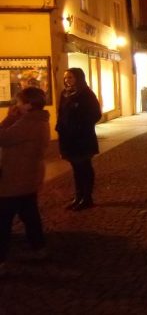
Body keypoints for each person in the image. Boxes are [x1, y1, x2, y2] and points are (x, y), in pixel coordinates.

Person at [0, 87, 50, 276]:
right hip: (28, 178)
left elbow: (2, 137)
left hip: (14, 180)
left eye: (19, 102)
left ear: (28, 104)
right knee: (30, 216)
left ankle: (1, 260)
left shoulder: (28, 123)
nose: (16, 105)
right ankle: (39, 248)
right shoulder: (40, 120)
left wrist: (8, 119)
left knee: (3, 221)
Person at [56, 68, 102, 210]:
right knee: (76, 168)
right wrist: (60, 127)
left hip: (83, 138)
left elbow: (96, 114)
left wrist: (81, 125)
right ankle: (78, 196)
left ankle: (87, 198)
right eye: (66, 78)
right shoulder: (65, 94)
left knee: (84, 167)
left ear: (78, 78)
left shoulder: (86, 94)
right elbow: (61, 113)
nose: (67, 80)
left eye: (70, 77)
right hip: (68, 138)